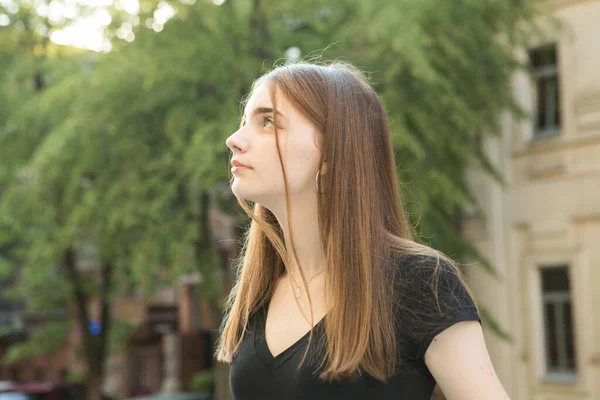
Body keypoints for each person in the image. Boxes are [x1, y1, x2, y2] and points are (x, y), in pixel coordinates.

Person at [217, 61, 510, 399]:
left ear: (329, 156)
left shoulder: (419, 283)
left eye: (268, 122)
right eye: (243, 123)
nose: (234, 140)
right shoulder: (256, 296)